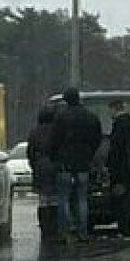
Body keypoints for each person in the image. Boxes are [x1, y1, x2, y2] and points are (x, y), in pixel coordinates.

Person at [49, 87, 102, 243]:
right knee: (82, 198)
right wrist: (89, 154)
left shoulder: (61, 118)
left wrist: (55, 157)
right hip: (83, 162)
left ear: (66, 100)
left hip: (64, 162)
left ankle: (65, 231)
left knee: (63, 197)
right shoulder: (91, 117)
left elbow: (54, 140)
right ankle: (82, 231)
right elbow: (96, 139)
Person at [27, 103, 59, 241]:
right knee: (55, 198)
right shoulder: (56, 130)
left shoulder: (34, 132)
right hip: (54, 165)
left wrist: (34, 165)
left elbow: (30, 152)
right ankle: (54, 226)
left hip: (40, 166)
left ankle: (44, 227)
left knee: (43, 199)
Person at [106, 99, 130, 237]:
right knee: (126, 196)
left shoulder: (120, 125)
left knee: (120, 197)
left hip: (119, 167)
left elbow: (116, 149)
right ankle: (126, 225)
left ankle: (123, 226)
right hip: (128, 166)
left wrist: (109, 165)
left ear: (115, 109)